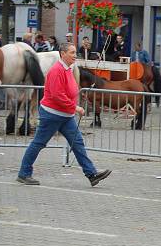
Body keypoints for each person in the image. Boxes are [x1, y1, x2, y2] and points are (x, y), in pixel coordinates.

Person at [16, 42, 112, 187]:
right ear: (63, 54)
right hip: (52, 115)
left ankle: (91, 174)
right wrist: (76, 107)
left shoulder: (68, 69)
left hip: (65, 116)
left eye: (75, 52)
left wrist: (78, 97)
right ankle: (24, 173)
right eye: (72, 53)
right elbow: (57, 95)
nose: (75, 55)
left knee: (78, 142)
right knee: (39, 143)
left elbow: (69, 90)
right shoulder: (56, 70)